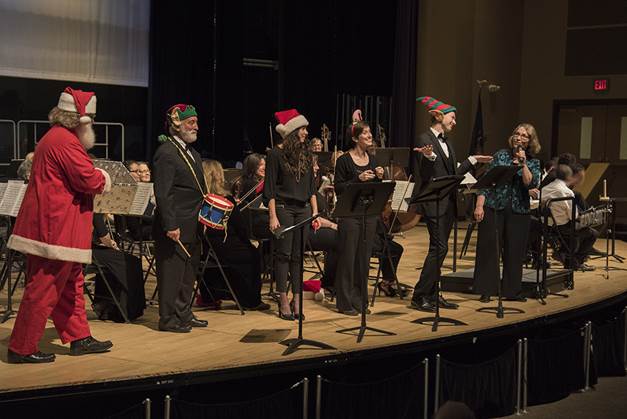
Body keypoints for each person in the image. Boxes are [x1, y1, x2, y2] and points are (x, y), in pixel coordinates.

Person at [6, 87, 113, 363]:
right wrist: (103, 176)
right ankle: (22, 347)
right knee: (43, 289)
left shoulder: (56, 138)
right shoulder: (64, 141)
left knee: (70, 285)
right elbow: (87, 179)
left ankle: (79, 337)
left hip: (57, 226)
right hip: (54, 228)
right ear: (82, 119)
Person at [409, 96, 492, 313]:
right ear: (439, 116)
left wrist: (473, 160)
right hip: (434, 203)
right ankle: (420, 295)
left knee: (440, 249)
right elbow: (425, 174)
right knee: (440, 248)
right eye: (452, 117)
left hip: (448, 203)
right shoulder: (424, 138)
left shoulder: (449, 143)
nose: (455, 122)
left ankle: (432, 294)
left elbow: (454, 174)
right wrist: (427, 157)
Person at [152, 104, 208, 333]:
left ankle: (184, 313)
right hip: (175, 224)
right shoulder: (166, 152)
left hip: (192, 223)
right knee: (172, 274)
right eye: (190, 123)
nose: (196, 126)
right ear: (177, 126)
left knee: (188, 274)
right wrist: (171, 224)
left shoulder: (191, 152)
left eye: (196, 122)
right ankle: (167, 319)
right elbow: (163, 193)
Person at [473, 123, 542, 302]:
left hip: (519, 209)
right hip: (494, 206)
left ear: (530, 141)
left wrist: (523, 163)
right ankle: (486, 290)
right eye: (517, 133)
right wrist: (479, 205)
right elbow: (486, 182)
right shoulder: (500, 155)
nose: (519, 137)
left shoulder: (533, 162)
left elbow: (530, 184)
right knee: (490, 249)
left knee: (515, 251)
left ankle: (512, 291)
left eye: (524, 135)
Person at [264, 109, 318, 320]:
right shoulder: (274, 154)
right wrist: (272, 216)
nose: (306, 132)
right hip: (284, 209)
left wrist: (314, 211)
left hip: (304, 209)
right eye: (302, 129)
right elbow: (269, 189)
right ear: (293, 130)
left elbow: (311, 186)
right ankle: (283, 298)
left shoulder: (305, 154)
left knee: (298, 256)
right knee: (283, 255)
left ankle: (297, 299)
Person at [199, 160, 270, 310]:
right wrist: (248, 241)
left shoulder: (199, 198)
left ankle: (209, 295)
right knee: (253, 255)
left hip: (204, 247)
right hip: (226, 245)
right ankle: (250, 300)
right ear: (218, 176)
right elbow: (240, 227)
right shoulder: (226, 199)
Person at [333, 111, 384, 315]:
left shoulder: (372, 159)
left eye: (370, 132)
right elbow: (338, 188)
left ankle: (360, 300)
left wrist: (379, 177)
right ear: (355, 138)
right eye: (365, 133)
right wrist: (358, 179)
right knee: (348, 258)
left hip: (368, 214)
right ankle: (344, 302)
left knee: (364, 258)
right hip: (349, 215)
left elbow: (374, 189)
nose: (370, 135)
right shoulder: (345, 160)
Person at [542, 164, 598, 271]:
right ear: (569, 177)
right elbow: (574, 216)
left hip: (549, 226)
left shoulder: (546, 189)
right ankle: (576, 262)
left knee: (576, 233)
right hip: (563, 227)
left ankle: (570, 261)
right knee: (592, 234)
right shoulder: (567, 192)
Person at [91, 213, 145, 322]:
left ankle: (107, 307)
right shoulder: (95, 211)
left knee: (118, 259)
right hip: (88, 252)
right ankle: (126, 310)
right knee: (131, 261)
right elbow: (104, 237)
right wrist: (111, 244)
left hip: (87, 249)